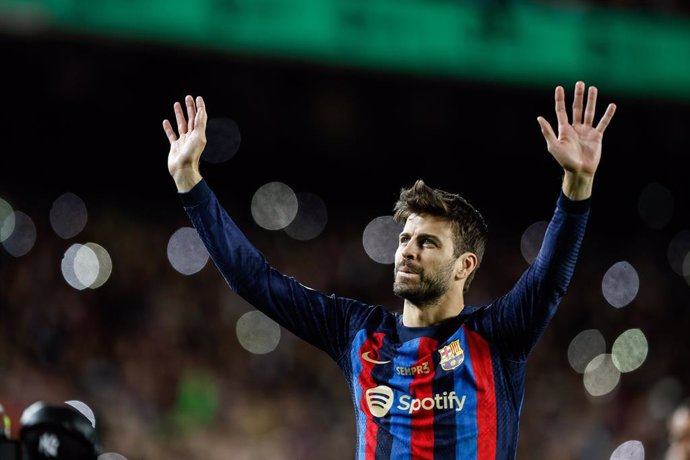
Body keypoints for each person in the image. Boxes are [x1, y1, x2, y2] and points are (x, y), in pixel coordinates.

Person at [162, 81, 616, 459]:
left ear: (465, 266)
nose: (407, 251)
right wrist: (190, 181)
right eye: (404, 240)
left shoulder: (497, 336)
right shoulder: (356, 331)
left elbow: (549, 279)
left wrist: (578, 185)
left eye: (426, 242)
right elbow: (254, 280)